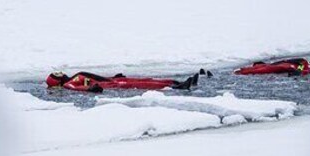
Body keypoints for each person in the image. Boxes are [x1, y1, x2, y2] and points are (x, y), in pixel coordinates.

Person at [46, 71, 198, 93]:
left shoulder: (73, 76)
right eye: (57, 74)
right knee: (144, 85)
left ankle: (174, 81)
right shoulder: (68, 84)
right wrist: (90, 89)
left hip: (113, 79)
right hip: (111, 85)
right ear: (57, 81)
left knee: (144, 80)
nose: (60, 72)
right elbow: (77, 89)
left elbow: (94, 76)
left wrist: (114, 76)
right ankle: (177, 87)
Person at [234, 57, 310, 76]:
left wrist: (297, 70)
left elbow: (303, 71)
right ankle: (243, 70)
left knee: (263, 70)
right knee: (264, 67)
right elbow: (286, 60)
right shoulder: (304, 61)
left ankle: (242, 72)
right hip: (285, 65)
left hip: (287, 67)